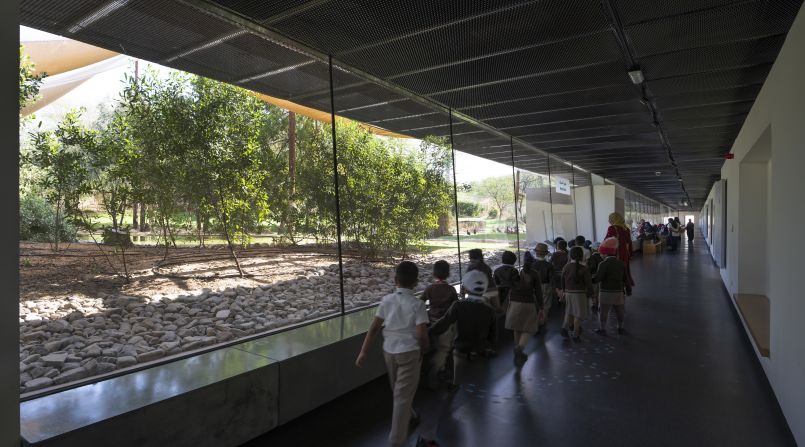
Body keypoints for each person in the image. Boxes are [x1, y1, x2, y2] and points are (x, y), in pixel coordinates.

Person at [355, 261, 429, 447]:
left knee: (397, 389)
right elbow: (421, 334)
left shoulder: (387, 301)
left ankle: (411, 414)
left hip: (389, 352)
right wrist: (424, 350)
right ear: (415, 283)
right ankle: (396, 441)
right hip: (410, 353)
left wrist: (363, 352)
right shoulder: (418, 304)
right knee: (402, 396)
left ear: (395, 280)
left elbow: (373, 329)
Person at [429, 270, 496, 392]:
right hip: (481, 345)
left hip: (462, 344)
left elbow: (445, 322)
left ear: (465, 288)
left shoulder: (458, 305)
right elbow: (493, 331)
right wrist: (490, 346)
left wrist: (430, 331)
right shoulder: (489, 309)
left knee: (458, 360)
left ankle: (456, 384)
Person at [420, 260, 458, 388]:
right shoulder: (451, 289)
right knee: (445, 350)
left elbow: (420, 302)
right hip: (446, 325)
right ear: (448, 274)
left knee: (436, 348)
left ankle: (437, 368)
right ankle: (437, 371)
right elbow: (456, 306)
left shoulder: (430, 288)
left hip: (431, 324)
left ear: (434, 274)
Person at [505, 255, 544, 367]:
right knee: (529, 328)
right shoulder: (535, 274)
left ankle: (517, 351)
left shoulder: (518, 272)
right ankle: (520, 348)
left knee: (517, 328)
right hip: (528, 302)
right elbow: (538, 292)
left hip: (514, 302)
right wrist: (541, 306)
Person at [593, 237, 632, 336]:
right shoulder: (621, 263)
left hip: (605, 291)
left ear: (605, 253)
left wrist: (590, 279)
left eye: (601, 253)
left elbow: (598, 278)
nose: (601, 255)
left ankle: (602, 329)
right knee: (620, 311)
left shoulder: (603, 264)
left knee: (603, 311)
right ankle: (621, 328)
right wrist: (628, 289)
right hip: (618, 291)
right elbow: (626, 278)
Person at [559, 246, 593, 342]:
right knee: (578, 314)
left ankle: (564, 328)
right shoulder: (584, 268)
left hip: (568, 292)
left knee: (569, 311)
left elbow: (562, 280)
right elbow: (588, 283)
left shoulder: (566, 267)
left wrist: (564, 291)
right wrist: (591, 294)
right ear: (581, 256)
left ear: (570, 255)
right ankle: (575, 334)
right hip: (580, 294)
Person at [605, 212, 635, 287]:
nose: (609, 221)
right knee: (624, 270)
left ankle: (616, 288)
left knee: (615, 270)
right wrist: (630, 254)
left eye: (610, 219)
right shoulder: (626, 229)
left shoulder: (612, 228)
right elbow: (629, 242)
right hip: (624, 253)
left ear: (614, 220)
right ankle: (624, 288)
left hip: (615, 253)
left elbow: (607, 241)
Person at [532, 243, 556, 331]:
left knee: (535, 305)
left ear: (536, 253)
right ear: (546, 254)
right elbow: (552, 279)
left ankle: (535, 323)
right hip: (546, 286)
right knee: (545, 306)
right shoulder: (549, 265)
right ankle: (542, 322)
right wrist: (555, 289)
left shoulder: (532, 264)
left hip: (533, 286)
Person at [587, 242, 604, 313]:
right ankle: (601, 304)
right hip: (602, 277)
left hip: (594, 277)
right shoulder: (602, 257)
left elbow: (591, 267)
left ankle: (595, 304)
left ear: (593, 249)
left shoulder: (592, 257)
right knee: (600, 291)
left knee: (595, 291)